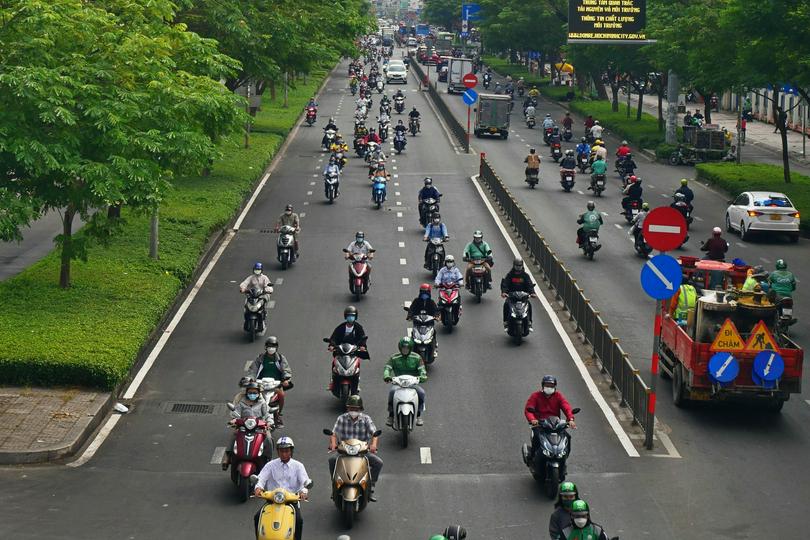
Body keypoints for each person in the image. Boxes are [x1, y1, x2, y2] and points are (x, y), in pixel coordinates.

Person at [253, 436, 310, 540]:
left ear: (291, 451)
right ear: (278, 452)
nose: (284, 454)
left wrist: (303, 492)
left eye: (286, 451)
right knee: (257, 517)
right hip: (272, 500)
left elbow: (304, 482)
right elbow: (261, 478)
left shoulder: (298, 466)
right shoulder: (271, 465)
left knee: (299, 520)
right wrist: (258, 488)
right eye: (281, 451)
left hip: (291, 501)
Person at [328, 395, 382, 501]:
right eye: (351, 408)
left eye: (356, 409)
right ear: (348, 408)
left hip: (362, 452)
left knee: (378, 463)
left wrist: (373, 445)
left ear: (360, 409)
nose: (353, 411)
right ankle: (335, 487)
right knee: (332, 460)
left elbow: (374, 434)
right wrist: (333, 444)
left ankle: (371, 486)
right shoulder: (341, 418)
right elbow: (334, 433)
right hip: (344, 452)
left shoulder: (366, 419)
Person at [222, 380, 270, 470]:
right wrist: (234, 420)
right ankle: (227, 457)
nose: (252, 394)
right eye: (250, 392)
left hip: (259, 427)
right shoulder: (242, 402)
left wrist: (269, 423)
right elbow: (236, 413)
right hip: (244, 426)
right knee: (234, 435)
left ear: (258, 393)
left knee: (268, 438)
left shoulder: (262, 403)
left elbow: (267, 414)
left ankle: (268, 460)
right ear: (247, 393)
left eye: (254, 393)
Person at [524, 375, 576, 456]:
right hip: (540, 424)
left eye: (551, 386)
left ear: (555, 386)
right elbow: (528, 409)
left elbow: (566, 407)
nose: (549, 387)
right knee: (536, 437)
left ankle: (564, 455)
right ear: (543, 386)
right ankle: (532, 456)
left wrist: (571, 419)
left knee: (567, 437)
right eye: (547, 385)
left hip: (555, 424)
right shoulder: (535, 396)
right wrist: (532, 419)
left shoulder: (558, 396)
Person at [247, 336, 293, 427]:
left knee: (281, 394)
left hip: (275, 384)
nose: (271, 348)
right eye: (269, 346)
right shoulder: (260, 358)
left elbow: (286, 370)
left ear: (276, 347)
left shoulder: (281, 358)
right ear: (266, 347)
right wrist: (251, 378)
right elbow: (253, 370)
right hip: (261, 384)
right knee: (249, 395)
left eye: (273, 346)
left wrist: (286, 379)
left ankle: (278, 415)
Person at [384, 337, 428, 426]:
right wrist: (386, 376)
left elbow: (422, 370)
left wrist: (422, 376)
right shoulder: (394, 358)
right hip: (398, 383)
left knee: (421, 393)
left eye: (407, 348)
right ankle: (391, 415)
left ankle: (418, 415)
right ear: (400, 348)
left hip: (412, 383)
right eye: (403, 348)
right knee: (392, 392)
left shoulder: (417, 357)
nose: (405, 350)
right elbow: (387, 368)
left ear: (410, 348)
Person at [500, 258, 536, 330]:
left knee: (529, 305)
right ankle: (506, 322)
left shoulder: (525, 276)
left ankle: (529, 322)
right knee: (506, 304)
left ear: (522, 266)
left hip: (523, 297)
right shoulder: (510, 275)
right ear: (514, 266)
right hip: (512, 297)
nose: (518, 267)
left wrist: (532, 293)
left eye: (519, 266)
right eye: (517, 266)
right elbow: (505, 284)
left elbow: (529, 285)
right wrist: (504, 292)